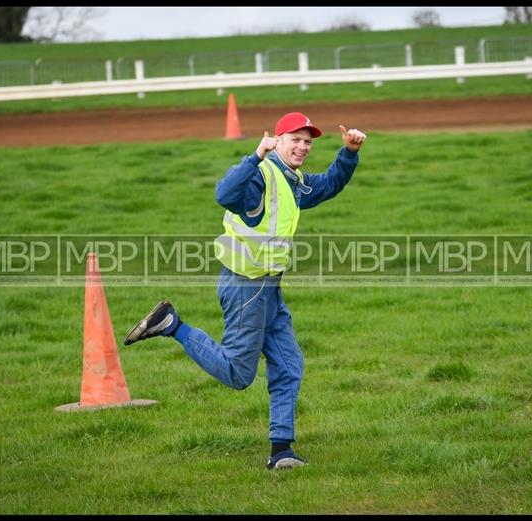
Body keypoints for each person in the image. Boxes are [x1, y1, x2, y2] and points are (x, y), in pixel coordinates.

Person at [124, 111, 367, 470]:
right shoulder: (261, 176)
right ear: (278, 140)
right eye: (295, 139)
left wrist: (348, 152)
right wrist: (255, 156)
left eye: (308, 141)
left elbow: (328, 185)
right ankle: (172, 324)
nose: (303, 146)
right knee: (239, 374)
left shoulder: (292, 180)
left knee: (288, 365)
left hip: (268, 289)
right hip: (246, 287)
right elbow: (224, 192)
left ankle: (281, 452)